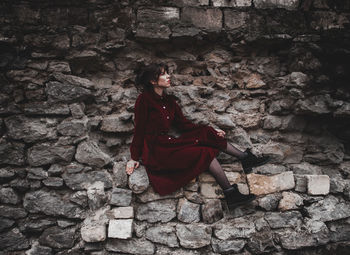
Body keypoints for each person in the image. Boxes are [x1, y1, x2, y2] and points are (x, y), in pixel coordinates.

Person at [126, 62, 270, 209]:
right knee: (205, 152)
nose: (168, 76)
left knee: (206, 131)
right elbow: (139, 130)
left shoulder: (170, 102)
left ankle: (244, 158)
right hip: (157, 151)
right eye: (163, 74)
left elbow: (184, 126)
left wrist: (212, 132)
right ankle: (231, 194)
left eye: (167, 73)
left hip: (169, 144)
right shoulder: (144, 100)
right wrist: (134, 158)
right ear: (152, 80)